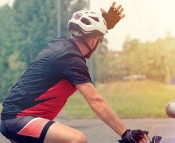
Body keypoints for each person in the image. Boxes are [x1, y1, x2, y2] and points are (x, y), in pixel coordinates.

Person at [1, 2, 148, 143]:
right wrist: (125, 133)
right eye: (100, 39)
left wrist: (104, 25)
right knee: (76, 139)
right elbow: (95, 100)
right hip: (18, 119)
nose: (99, 44)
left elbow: (88, 35)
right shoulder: (71, 59)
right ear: (93, 41)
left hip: (20, 117)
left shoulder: (62, 46)